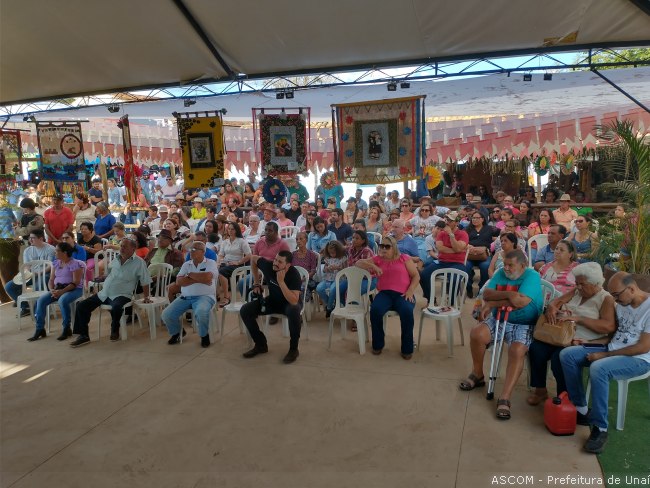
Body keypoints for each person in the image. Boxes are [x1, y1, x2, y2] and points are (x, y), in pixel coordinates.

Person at [560, 272, 650, 454]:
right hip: (612, 349)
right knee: (567, 354)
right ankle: (582, 409)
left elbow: (642, 347)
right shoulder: (622, 303)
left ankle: (600, 428)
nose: (615, 300)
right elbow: (613, 336)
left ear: (632, 288)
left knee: (599, 368)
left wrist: (605, 355)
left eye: (616, 295)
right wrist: (588, 344)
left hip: (639, 359)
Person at [459, 250, 543, 420]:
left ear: (522, 265)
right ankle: (478, 374)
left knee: (517, 350)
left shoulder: (532, 275)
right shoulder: (500, 272)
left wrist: (493, 303)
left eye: (510, 265)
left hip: (524, 323)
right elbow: (487, 294)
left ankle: (505, 397)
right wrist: (510, 294)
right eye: (505, 264)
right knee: (477, 333)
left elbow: (520, 302)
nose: (506, 268)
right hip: (499, 318)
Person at [527, 263, 616, 406]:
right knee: (536, 348)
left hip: (582, 341)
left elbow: (608, 326)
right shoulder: (577, 290)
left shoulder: (605, 298)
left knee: (558, 357)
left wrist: (579, 319)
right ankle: (540, 390)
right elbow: (557, 301)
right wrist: (552, 308)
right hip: (560, 335)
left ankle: (564, 396)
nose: (578, 287)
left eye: (582, 284)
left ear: (596, 283)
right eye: (577, 283)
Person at [70, 238, 151, 347]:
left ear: (133, 248)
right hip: (104, 293)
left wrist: (146, 297)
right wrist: (103, 277)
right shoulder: (116, 259)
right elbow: (111, 273)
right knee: (81, 306)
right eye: (121, 246)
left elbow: (145, 281)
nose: (121, 248)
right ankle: (83, 335)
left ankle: (115, 328)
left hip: (122, 294)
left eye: (124, 246)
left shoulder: (139, 262)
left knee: (117, 306)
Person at [355, 235, 420, 359]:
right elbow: (358, 263)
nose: (383, 249)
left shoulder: (404, 258)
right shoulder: (378, 259)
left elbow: (416, 276)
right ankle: (378, 344)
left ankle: (407, 348)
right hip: (385, 294)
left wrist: (411, 291)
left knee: (406, 312)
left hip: (403, 293)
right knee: (375, 310)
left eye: (387, 246)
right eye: (381, 246)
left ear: (394, 247)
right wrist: (373, 266)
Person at [241, 251, 303, 363]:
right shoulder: (269, 266)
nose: (275, 263)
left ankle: (294, 349)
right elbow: (253, 258)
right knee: (246, 310)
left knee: (294, 310)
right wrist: (256, 282)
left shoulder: (294, 274)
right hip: (273, 301)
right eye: (275, 259)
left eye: (280, 262)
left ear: (287, 265)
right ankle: (261, 345)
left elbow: (294, 300)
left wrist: (281, 282)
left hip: (289, 304)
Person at [161, 241, 218, 348]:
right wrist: (200, 278)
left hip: (205, 296)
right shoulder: (186, 264)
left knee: (201, 312)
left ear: (203, 252)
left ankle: (204, 335)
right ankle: (177, 333)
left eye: (194, 249)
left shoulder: (210, 263)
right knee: (166, 314)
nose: (190, 251)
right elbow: (179, 282)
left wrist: (189, 276)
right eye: (190, 249)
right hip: (185, 297)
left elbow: (208, 278)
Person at [28, 242, 84, 341]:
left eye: (57, 251)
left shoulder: (75, 264)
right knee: (41, 301)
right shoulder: (56, 263)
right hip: (58, 289)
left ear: (65, 252)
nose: (55, 253)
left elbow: (76, 282)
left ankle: (66, 328)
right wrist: (52, 290)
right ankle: (40, 328)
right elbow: (51, 279)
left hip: (74, 289)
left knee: (62, 300)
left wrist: (62, 292)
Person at [419, 211, 469, 304]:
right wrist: (456, 250)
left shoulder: (463, 234)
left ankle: (451, 302)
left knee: (455, 279)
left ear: (457, 223)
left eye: (450, 220)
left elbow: (458, 248)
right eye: (447, 220)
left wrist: (451, 235)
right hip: (441, 262)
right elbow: (440, 248)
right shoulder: (441, 233)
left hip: (457, 263)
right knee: (423, 275)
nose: (447, 222)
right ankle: (431, 300)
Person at [4, 229, 55, 317]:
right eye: (29, 238)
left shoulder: (50, 249)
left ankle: (41, 310)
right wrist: (27, 274)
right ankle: (25, 307)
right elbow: (27, 266)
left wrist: (39, 273)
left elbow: (50, 266)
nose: (30, 240)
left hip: (45, 274)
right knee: (9, 286)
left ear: (41, 238)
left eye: (33, 238)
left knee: (38, 286)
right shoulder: (27, 251)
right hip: (31, 274)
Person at [216, 222, 251, 307]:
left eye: (232, 229)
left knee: (221, 272)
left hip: (237, 264)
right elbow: (221, 254)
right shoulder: (225, 242)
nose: (230, 231)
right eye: (229, 229)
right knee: (214, 270)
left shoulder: (241, 241)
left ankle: (227, 297)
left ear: (236, 230)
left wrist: (238, 262)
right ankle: (216, 294)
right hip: (226, 263)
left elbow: (249, 255)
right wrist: (218, 262)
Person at [464, 211, 494, 298]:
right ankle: (468, 288)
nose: (475, 220)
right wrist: (468, 245)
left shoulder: (489, 228)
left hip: (484, 254)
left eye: (477, 218)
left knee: (485, 266)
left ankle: (482, 289)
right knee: (466, 266)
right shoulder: (467, 229)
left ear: (483, 219)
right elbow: (462, 239)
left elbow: (502, 232)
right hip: (470, 254)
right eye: (473, 218)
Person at [315, 240, 348, 317]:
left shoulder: (343, 258)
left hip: (339, 279)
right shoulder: (328, 258)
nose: (332, 255)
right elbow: (324, 269)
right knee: (319, 288)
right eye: (330, 253)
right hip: (328, 278)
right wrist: (327, 268)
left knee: (333, 290)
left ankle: (329, 308)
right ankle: (329, 304)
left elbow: (346, 270)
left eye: (333, 253)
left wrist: (338, 268)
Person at [291, 232, 319, 303]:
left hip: (308, 279)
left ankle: (302, 308)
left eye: (301, 239)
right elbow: (290, 269)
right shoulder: (293, 254)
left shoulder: (311, 254)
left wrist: (304, 278)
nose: (298, 241)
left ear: (306, 240)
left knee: (302, 287)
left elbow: (313, 271)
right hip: (295, 279)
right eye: (297, 239)